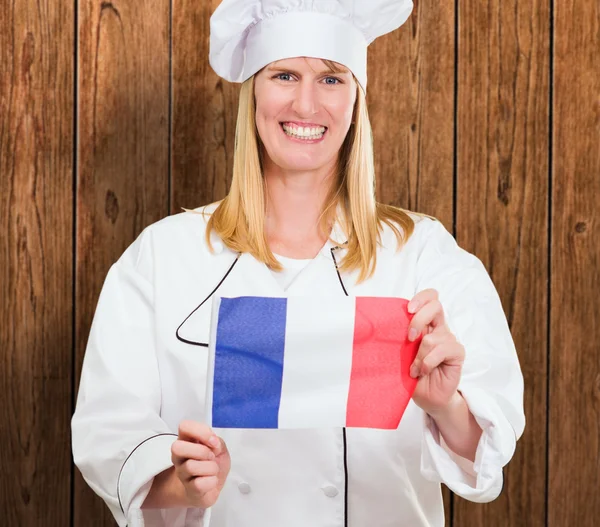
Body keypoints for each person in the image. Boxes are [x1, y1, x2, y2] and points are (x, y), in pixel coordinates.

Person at [71, 1, 525, 526]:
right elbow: (109, 435)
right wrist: (184, 483)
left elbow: (487, 461)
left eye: (331, 79)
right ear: (254, 94)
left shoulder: (425, 256)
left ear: (356, 99)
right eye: (284, 75)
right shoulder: (162, 257)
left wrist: (446, 405)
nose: (306, 104)